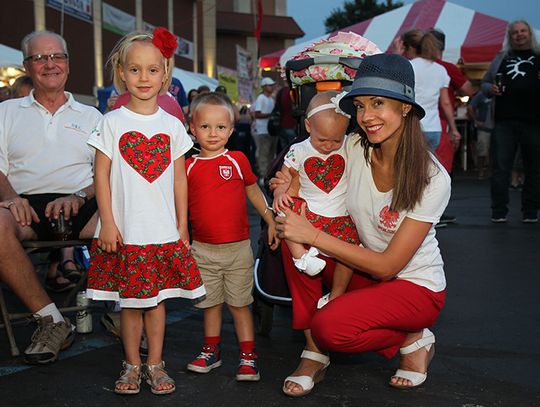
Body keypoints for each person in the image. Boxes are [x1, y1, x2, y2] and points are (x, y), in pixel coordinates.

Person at [272, 53, 450, 396]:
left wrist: (312, 234)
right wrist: (282, 198)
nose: (366, 116)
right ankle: (313, 353)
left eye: (379, 103)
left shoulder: (432, 176)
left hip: (414, 286)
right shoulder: (352, 146)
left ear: (406, 108)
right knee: (292, 237)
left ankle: (412, 337)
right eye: (361, 106)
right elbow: (300, 171)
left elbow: (388, 266)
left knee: (331, 327)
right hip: (361, 270)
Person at [85, 27, 205, 396]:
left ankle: (155, 362)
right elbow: (101, 175)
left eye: (152, 70)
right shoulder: (111, 123)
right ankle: (131, 365)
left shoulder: (171, 126)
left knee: (156, 302)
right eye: (135, 70)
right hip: (124, 231)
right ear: (121, 72)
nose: (143, 78)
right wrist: (107, 222)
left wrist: (183, 225)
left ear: (165, 73)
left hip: (161, 231)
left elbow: (180, 180)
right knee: (130, 305)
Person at [0, 30, 102, 364]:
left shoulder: (92, 116)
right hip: (26, 205)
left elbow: (108, 174)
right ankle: (52, 321)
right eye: (40, 58)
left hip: (82, 201)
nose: (50, 64)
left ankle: (126, 310)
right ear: (26, 66)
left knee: (129, 219)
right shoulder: (7, 112)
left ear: (68, 64)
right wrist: (12, 197)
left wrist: (79, 195)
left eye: (57, 56)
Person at [185, 92, 280, 382]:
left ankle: (248, 356)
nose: (213, 133)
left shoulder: (238, 160)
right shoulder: (187, 166)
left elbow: (253, 191)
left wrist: (270, 219)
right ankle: (211, 351)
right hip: (202, 249)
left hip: (238, 249)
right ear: (192, 128)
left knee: (240, 305)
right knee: (211, 305)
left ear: (232, 127)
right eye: (205, 127)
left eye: (220, 127)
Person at [272, 91, 360, 308]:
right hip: (308, 213)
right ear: (309, 126)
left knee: (348, 255)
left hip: (341, 215)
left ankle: (336, 294)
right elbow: (284, 178)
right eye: (322, 140)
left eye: (335, 140)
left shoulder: (350, 145)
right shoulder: (299, 150)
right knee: (286, 210)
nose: (329, 145)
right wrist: (279, 192)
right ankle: (300, 255)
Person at [481, 19, 540, 223]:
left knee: (534, 167)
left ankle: (531, 211)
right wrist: (490, 89)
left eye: (523, 31)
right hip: (504, 122)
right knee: (500, 168)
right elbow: (485, 83)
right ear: (510, 36)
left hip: (534, 121)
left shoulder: (539, 56)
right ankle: (499, 211)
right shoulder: (502, 57)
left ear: (530, 34)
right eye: (515, 32)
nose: (519, 35)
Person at [398, 29, 460, 152]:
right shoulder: (440, 69)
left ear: (410, 47)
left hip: (413, 126)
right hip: (434, 128)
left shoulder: (409, 67)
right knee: (428, 167)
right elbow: (446, 103)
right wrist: (453, 128)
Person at [252, 77, 278, 180]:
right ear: (264, 87)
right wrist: (270, 115)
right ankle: (263, 175)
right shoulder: (261, 98)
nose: (271, 87)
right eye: (269, 85)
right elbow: (257, 114)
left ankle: (268, 174)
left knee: (271, 154)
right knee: (264, 153)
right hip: (262, 130)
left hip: (271, 130)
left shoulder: (271, 99)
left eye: (272, 85)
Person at [467, 91, 493, 179]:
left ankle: (493, 172)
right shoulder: (481, 95)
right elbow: (470, 107)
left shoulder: (501, 92)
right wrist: (476, 121)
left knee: (496, 152)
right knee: (482, 150)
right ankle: (481, 171)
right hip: (483, 127)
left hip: (498, 127)